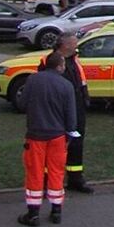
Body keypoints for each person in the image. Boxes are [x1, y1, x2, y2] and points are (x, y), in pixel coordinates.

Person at [18, 51, 78, 227]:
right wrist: (69, 134)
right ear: (59, 66)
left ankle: (33, 213)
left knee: (35, 173)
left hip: (36, 135)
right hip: (58, 136)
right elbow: (71, 117)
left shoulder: (33, 80)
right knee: (56, 172)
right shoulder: (66, 85)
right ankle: (56, 210)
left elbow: (22, 104)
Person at [40, 33, 93, 194]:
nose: (76, 46)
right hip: (58, 110)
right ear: (65, 45)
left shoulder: (74, 59)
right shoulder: (49, 61)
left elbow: (81, 81)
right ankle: (48, 181)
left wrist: (85, 97)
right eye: (74, 43)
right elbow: (46, 85)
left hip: (76, 108)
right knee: (55, 145)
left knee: (76, 144)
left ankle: (75, 177)